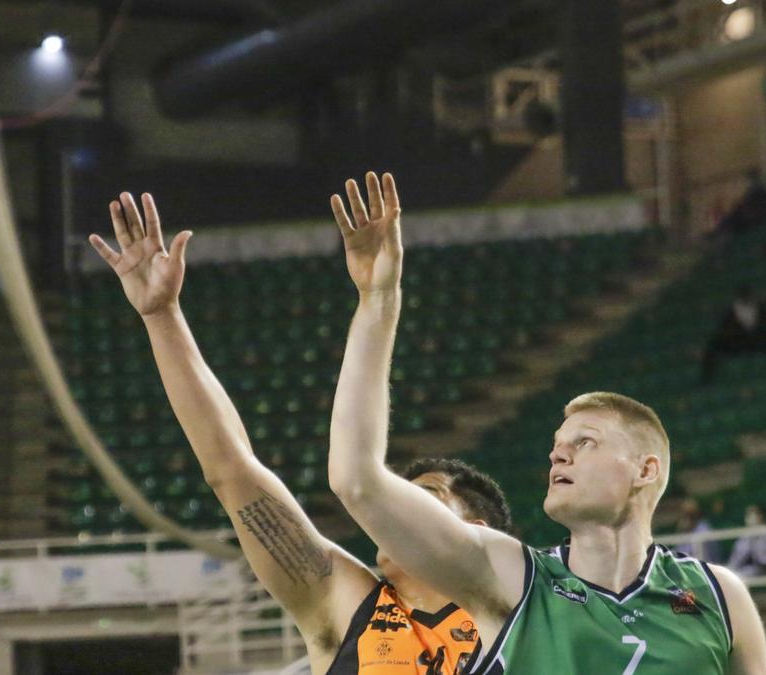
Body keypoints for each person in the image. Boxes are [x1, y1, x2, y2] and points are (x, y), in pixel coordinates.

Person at [325, 171, 766, 673]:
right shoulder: (510, 575)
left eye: (586, 442)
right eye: (559, 444)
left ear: (645, 470)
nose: (559, 454)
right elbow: (355, 480)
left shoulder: (720, 597)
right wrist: (378, 302)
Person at [87, 191, 512, 673]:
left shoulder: (522, 616)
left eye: (424, 498)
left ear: (474, 533)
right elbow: (231, 471)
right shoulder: (349, 608)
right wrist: (162, 317)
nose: (395, 511)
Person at [701, 285, 766, 381]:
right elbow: (725, 331)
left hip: (760, 341)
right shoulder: (731, 313)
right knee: (713, 347)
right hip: (740, 343)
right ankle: (707, 378)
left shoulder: (761, 308)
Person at [725, 504, 766, 577]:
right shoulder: (745, 536)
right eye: (748, 515)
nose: (750, 518)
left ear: (761, 516)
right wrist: (728, 571)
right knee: (738, 575)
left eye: (753, 514)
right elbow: (737, 558)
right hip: (757, 569)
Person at [674, 497, 721, 562]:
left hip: (705, 565)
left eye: (690, 514)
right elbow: (678, 552)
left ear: (696, 514)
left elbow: (694, 552)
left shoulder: (704, 529)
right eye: (685, 514)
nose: (687, 518)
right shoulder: (685, 530)